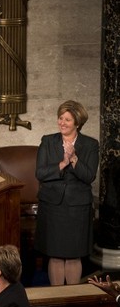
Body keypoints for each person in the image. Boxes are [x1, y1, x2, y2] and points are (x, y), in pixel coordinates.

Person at [34, 100, 99, 286]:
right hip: (53, 205)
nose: (62, 122)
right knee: (55, 256)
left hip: (77, 207)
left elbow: (88, 177)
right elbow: (40, 173)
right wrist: (62, 163)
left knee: (73, 256)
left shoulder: (90, 144)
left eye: (67, 119)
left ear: (77, 122)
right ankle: (57, 298)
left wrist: (74, 159)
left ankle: (71, 296)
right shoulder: (47, 141)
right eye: (60, 118)